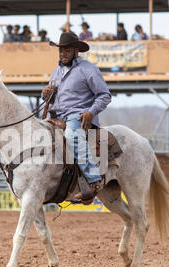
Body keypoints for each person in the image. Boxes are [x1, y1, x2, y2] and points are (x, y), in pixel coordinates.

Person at [42, 32, 111, 202]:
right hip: (57, 116)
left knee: (72, 135)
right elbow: (50, 98)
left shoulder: (88, 69)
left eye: (66, 50)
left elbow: (104, 95)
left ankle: (94, 181)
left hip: (78, 116)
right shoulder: (56, 72)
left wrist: (91, 112)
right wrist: (45, 94)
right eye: (60, 51)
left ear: (75, 51)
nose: (62, 54)